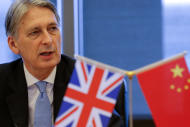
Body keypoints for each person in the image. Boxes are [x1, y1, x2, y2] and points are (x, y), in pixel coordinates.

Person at [0, 0, 126, 127]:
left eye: (52, 29)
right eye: (35, 32)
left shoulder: (89, 83)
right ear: (13, 44)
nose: (48, 40)